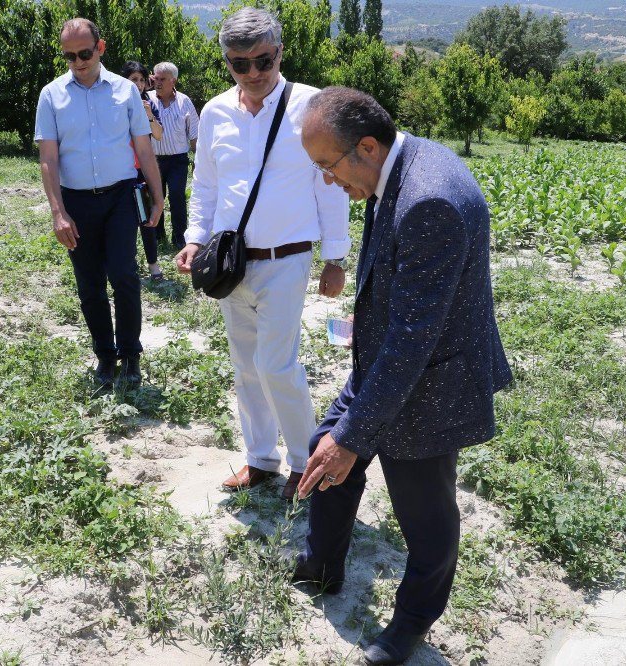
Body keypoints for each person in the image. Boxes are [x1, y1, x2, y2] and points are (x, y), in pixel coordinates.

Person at [292, 87, 513, 665]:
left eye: (327, 166)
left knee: (426, 517)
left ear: (366, 146)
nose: (327, 180)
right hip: (388, 361)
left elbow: (413, 344)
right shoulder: (396, 164)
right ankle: (321, 566)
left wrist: (355, 439)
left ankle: (410, 625)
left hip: (430, 382)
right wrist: (346, 437)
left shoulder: (427, 199)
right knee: (324, 447)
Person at [175, 8, 350, 501]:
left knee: (277, 364)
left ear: (279, 52)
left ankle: (302, 461)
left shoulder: (312, 106)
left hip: (288, 258)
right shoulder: (213, 112)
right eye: (239, 64)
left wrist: (335, 257)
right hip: (232, 264)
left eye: (263, 60)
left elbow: (332, 186)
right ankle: (260, 459)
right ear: (227, 63)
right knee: (246, 365)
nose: (253, 73)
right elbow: (206, 184)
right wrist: (194, 237)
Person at [35, 19, 164, 387]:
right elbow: (49, 158)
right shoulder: (52, 95)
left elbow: (144, 147)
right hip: (76, 202)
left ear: (101, 48)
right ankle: (105, 358)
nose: (77, 61)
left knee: (124, 275)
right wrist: (58, 212)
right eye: (69, 56)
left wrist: (158, 197)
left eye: (85, 53)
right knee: (89, 283)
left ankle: (131, 355)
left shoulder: (125, 92)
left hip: (122, 196)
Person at [121, 61, 166, 281]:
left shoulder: (150, 103)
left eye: (141, 80)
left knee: (147, 219)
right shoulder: (117, 103)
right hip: (120, 170)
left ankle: (153, 265)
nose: (138, 84)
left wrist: (148, 115)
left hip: (142, 171)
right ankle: (127, 265)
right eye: (133, 80)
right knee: (124, 222)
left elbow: (158, 134)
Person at [149, 62, 199, 250]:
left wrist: (198, 160)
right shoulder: (147, 100)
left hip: (178, 159)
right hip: (154, 160)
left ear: (173, 81)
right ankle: (157, 235)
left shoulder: (184, 101)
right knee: (156, 197)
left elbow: (194, 133)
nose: (158, 82)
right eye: (156, 78)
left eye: (162, 79)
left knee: (178, 196)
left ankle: (180, 236)